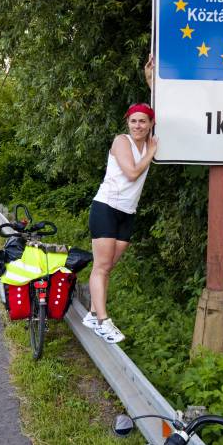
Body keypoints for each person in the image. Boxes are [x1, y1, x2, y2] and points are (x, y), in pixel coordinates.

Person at [83, 97, 158, 343]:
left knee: (107, 267)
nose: (137, 125)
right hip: (106, 207)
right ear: (128, 123)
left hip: (128, 212)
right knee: (102, 267)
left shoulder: (149, 141)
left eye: (143, 121)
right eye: (134, 121)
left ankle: (92, 314)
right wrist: (152, 152)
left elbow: (166, 106)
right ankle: (103, 320)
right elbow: (133, 172)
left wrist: (150, 81)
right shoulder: (121, 141)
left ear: (150, 124)